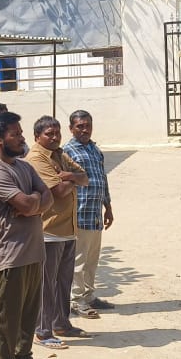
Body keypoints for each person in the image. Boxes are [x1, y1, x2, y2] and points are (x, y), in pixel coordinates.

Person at [0, 111, 55, 359]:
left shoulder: (24, 167)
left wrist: (32, 203)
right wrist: (33, 202)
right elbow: (27, 203)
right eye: (16, 134)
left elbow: (46, 197)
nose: (22, 138)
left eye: (21, 133)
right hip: (10, 253)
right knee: (6, 316)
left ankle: (23, 358)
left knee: (28, 311)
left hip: (33, 250)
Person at [24, 116, 89, 348]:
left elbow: (85, 177)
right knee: (46, 284)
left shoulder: (59, 154)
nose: (54, 137)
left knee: (63, 282)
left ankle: (61, 323)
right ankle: (42, 331)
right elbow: (59, 191)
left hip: (68, 228)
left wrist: (69, 176)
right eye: (49, 134)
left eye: (57, 133)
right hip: (49, 231)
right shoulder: (36, 158)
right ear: (37, 137)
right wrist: (72, 181)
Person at [63, 110, 115, 319]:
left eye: (88, 126)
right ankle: (76, 301)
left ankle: (89, 296)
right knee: (78, 261)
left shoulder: (95, 149)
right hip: (79, 213)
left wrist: (108, 206)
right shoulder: (67, 151)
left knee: (92, 259)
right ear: (71, 128)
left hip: (95, 214)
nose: (85, 130)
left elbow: (102, 179)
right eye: (80, 126)